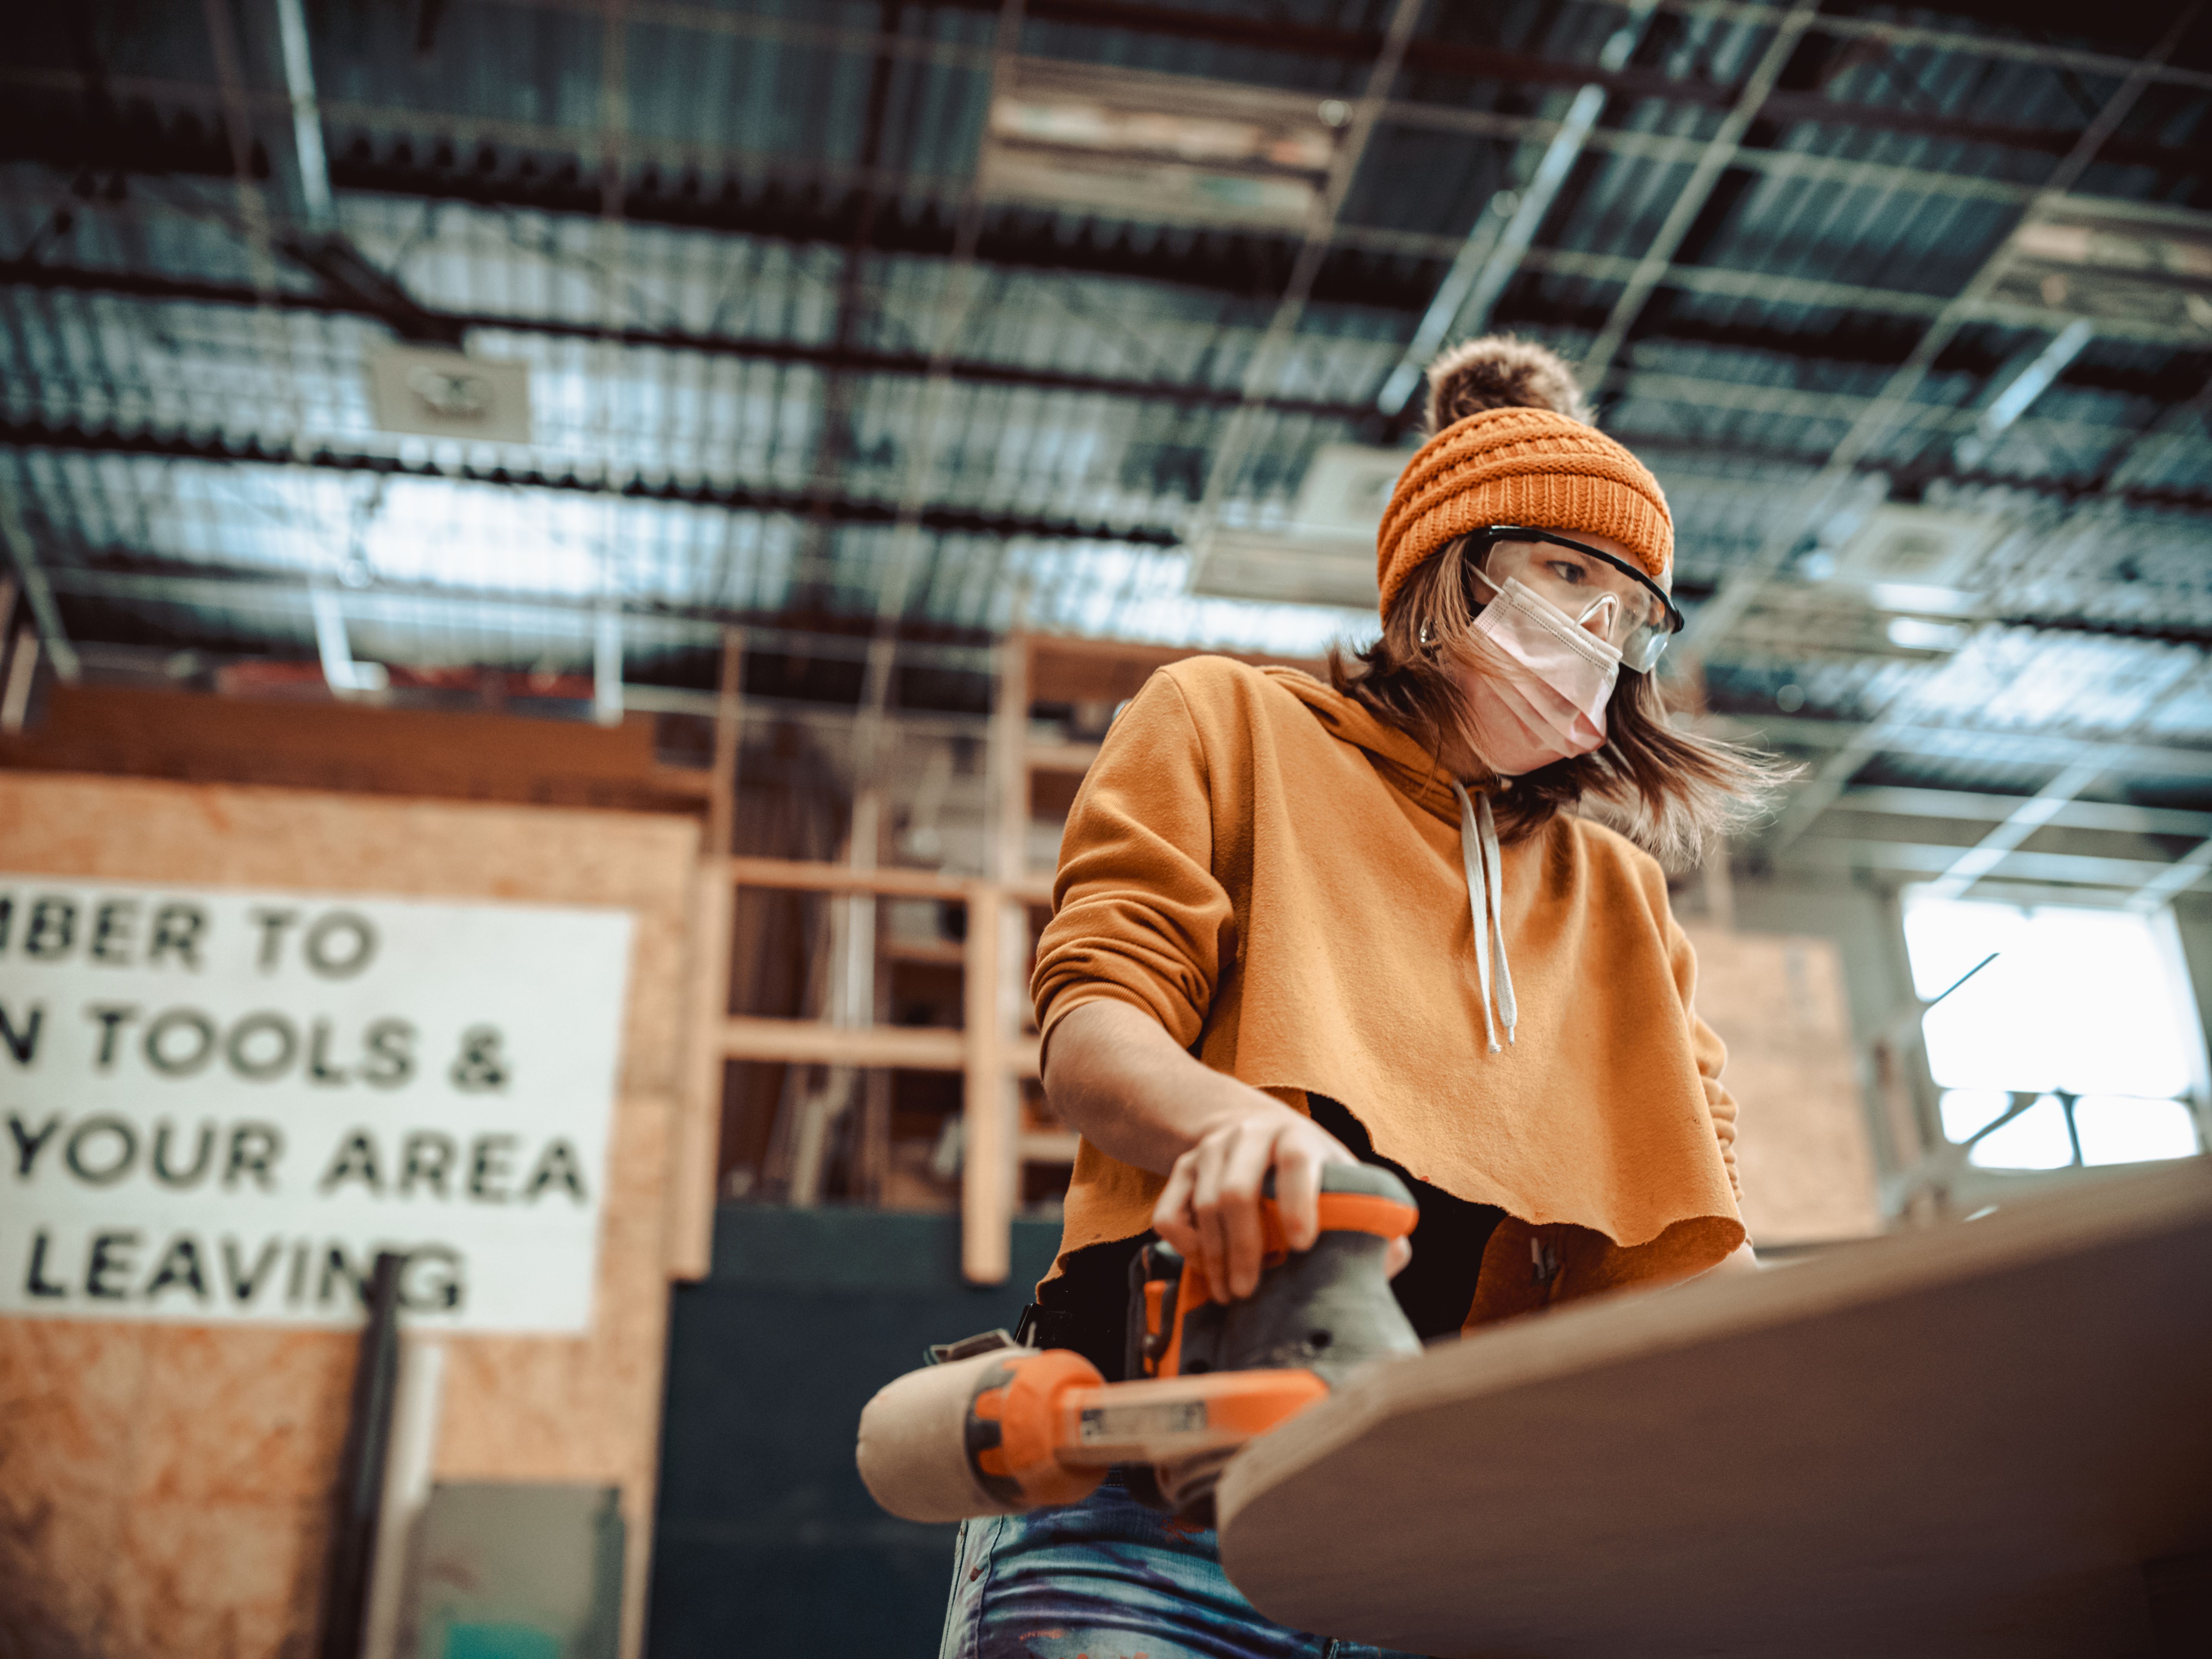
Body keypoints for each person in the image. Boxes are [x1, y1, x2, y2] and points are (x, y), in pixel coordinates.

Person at [938, 336, 1785, 1659]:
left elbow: (1686, 1247)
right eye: (1569, 576)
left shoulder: (1619, 901)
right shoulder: (1224, 722)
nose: (1596, 637)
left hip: (1439, 1544)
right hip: (1147, 1494)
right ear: (1447, 572)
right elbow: (1096, 1018)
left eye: (1632, 617)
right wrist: (1234, 1127)